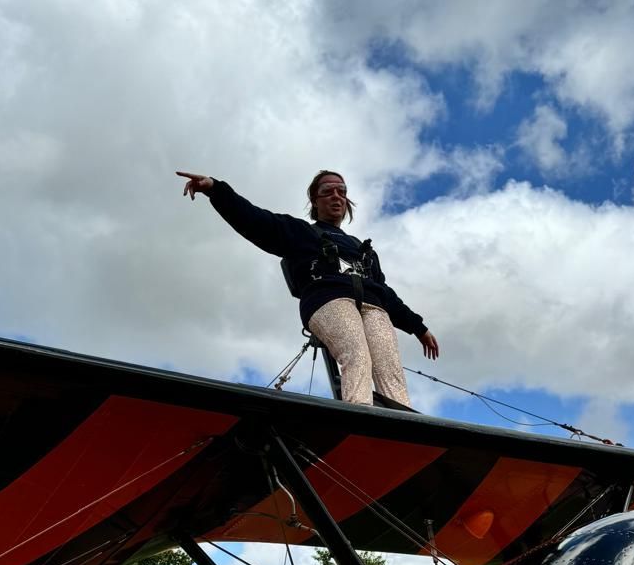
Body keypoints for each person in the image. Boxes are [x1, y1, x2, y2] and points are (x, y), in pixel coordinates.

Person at [177, 168, 439, 406]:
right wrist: (215, 189)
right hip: (329, 300)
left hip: (373, 307)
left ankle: (402, 427)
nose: (337, 197)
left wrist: (419, 328)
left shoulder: (362, 249)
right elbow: (254, 219)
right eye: (328, 192)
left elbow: (386, 293)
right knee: (356, 354)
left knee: (389, 366)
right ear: (315, 201)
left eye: (342, 192)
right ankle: (361, 419)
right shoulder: (300, 232)